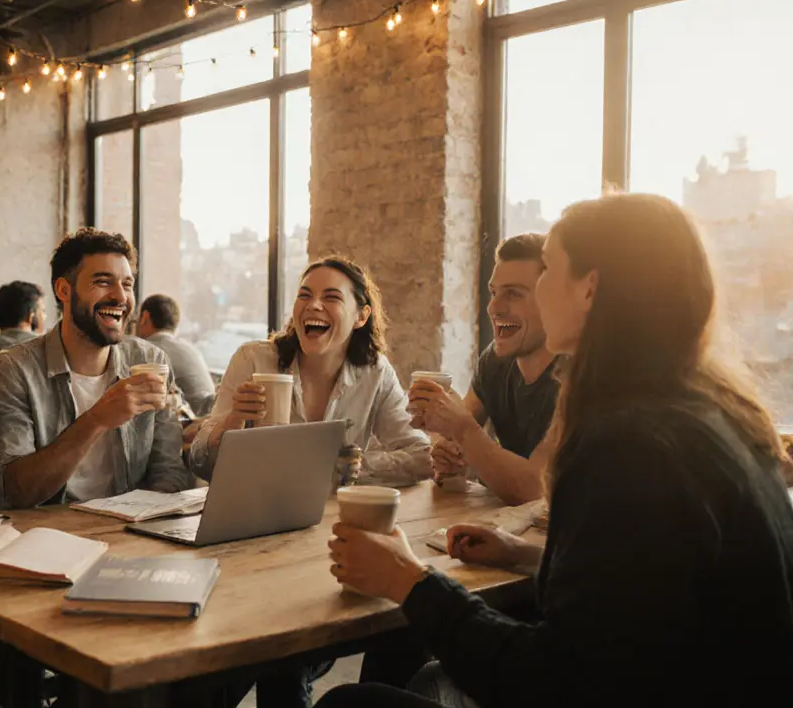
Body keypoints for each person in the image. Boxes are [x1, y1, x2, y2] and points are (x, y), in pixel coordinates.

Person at [321, 194, 793, 708]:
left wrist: (409, 580)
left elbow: (549, 682)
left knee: (349, 703)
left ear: (590, 288)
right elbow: (641, 589)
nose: (536, 290)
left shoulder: (629, 446)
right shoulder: (716, 414)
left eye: (550, 270)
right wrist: (527, 555)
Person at [0, 228, 194, 510]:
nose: (120, 297)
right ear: (64, 290)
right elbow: (14, 491)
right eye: (103, 282)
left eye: (127, 284)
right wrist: (97, 419)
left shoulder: (149, 360)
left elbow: (169, 473)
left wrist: (138, 524)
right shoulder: (11, 369)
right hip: (38, 540)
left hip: (127, 535)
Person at [190, 256, 430, 486]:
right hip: (254, 508)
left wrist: (346, 466)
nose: (313, 305)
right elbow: (199, 461)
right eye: (304, 295)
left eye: (331, 297)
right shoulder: (253, 360)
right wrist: (231, 423)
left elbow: (421, 456)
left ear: (361, 316)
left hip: (332, 517)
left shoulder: (374, 371)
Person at [407, 234, 559, 505]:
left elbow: (536, 489)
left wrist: (463, 431)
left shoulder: (579, 374)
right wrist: (449, 453)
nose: (494, 307)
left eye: (514, 294)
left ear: (553, 299)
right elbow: (456, 437)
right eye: (493, 293)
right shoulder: (495, 361)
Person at [136, 294, 217, 416]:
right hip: (212, 418)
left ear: (144, 317)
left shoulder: (146, 351)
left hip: (189, 426)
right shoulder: (191, 349)